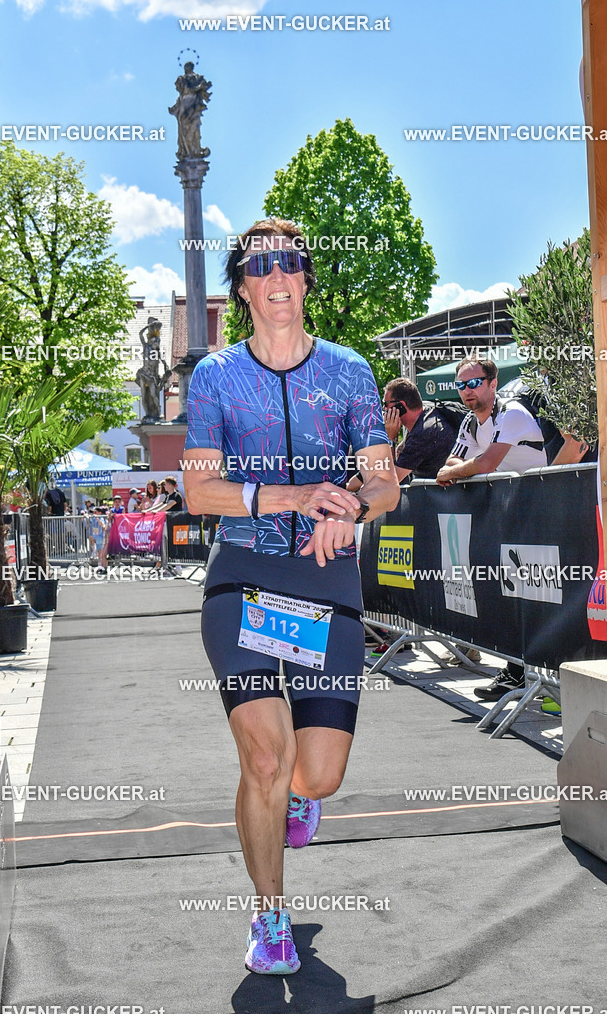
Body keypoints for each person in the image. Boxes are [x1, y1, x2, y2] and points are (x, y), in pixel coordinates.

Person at [183, 218, 399, 975]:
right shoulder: (213, 376)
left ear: (306, 279)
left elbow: (384, 481)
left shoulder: (347, 372)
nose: (277, 277)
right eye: (260, 266)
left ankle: (304, 801)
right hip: (243, 576)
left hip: (324, 581)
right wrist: (286, 494)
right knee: (265, 761)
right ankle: (268, 915)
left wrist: (350, 507)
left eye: (291, 264)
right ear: (242, 286)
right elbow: (199, 491)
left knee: (316, 774)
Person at [436, 358, 548, 698]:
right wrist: (463, 467)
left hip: (538, 514)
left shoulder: (511, 413)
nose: (468, 391)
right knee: (509, 596)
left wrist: (464, 468)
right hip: (506, 515)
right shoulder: (470, 422)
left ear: (493, 382)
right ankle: (517, 673)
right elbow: (448, 466)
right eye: (461, 385)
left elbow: (481, 464)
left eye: (475, 382)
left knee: (535, 599)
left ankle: (544, 680)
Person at [383, 378, 462, 482]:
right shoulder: (426, 410)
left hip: (445, 495)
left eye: (386, 404)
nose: (384, 409)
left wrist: (390, 439)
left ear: (401, 406)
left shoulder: (422, 433)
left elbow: (391, 481)